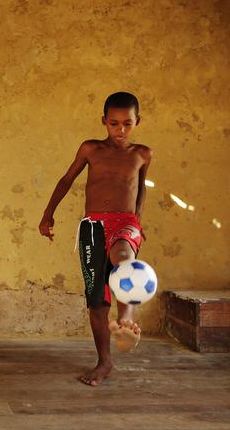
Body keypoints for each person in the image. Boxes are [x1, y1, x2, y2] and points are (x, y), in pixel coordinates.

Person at [38, 91, 152, 386]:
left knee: (125, 258)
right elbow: (67, 180)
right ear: (104, 121)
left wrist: (137, 222)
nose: (120, 130)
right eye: (114, 124)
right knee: (98, 302)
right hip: (92, 227)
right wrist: (48, 214)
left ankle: (127, 319)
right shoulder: (91, 149)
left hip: (125, 223)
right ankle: (105, 362)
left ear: (137, 121)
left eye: (127, 124)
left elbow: (140, 189)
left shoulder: (142, 154)